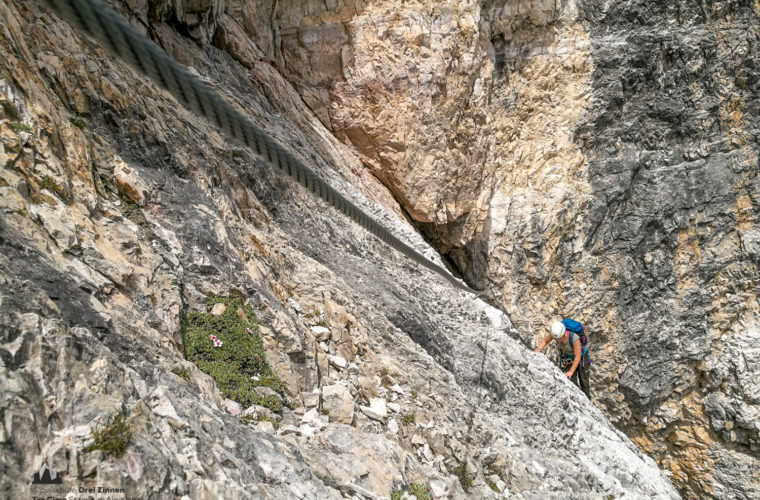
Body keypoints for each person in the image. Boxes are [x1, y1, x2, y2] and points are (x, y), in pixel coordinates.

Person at [534, 319, 590, 398]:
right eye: (555, 338)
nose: (556, 340)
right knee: (570, 381)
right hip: (568, 357)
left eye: (558, 338)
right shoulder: (555, 334)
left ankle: (587, 399)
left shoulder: (574, 338)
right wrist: (538, 350)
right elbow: (546, 341)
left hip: (582, 358)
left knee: (584, 381)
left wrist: (571, 371)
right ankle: (575, 397)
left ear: (563, 334)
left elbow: (578, 356)